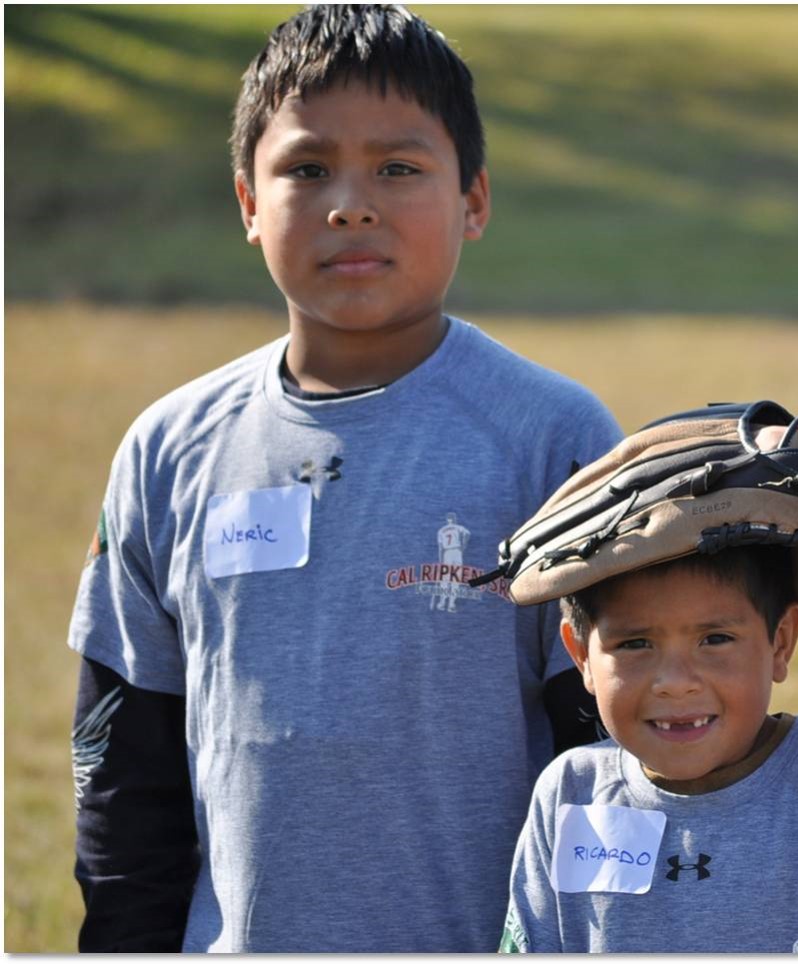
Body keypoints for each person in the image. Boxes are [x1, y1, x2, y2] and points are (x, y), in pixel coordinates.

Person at [65, 5, 619, 952]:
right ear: (247, 202)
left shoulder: (553, 439)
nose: (350, 204)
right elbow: (125, 766)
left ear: (474, 199)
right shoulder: (168, 449)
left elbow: (610, 759)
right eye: (307, 168)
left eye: (399, 169)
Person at [498, 431, 798, 953]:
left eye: (715, 639)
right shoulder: (568, 796)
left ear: (780, 641)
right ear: (581, 657)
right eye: (635, 644)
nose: (676, 682)